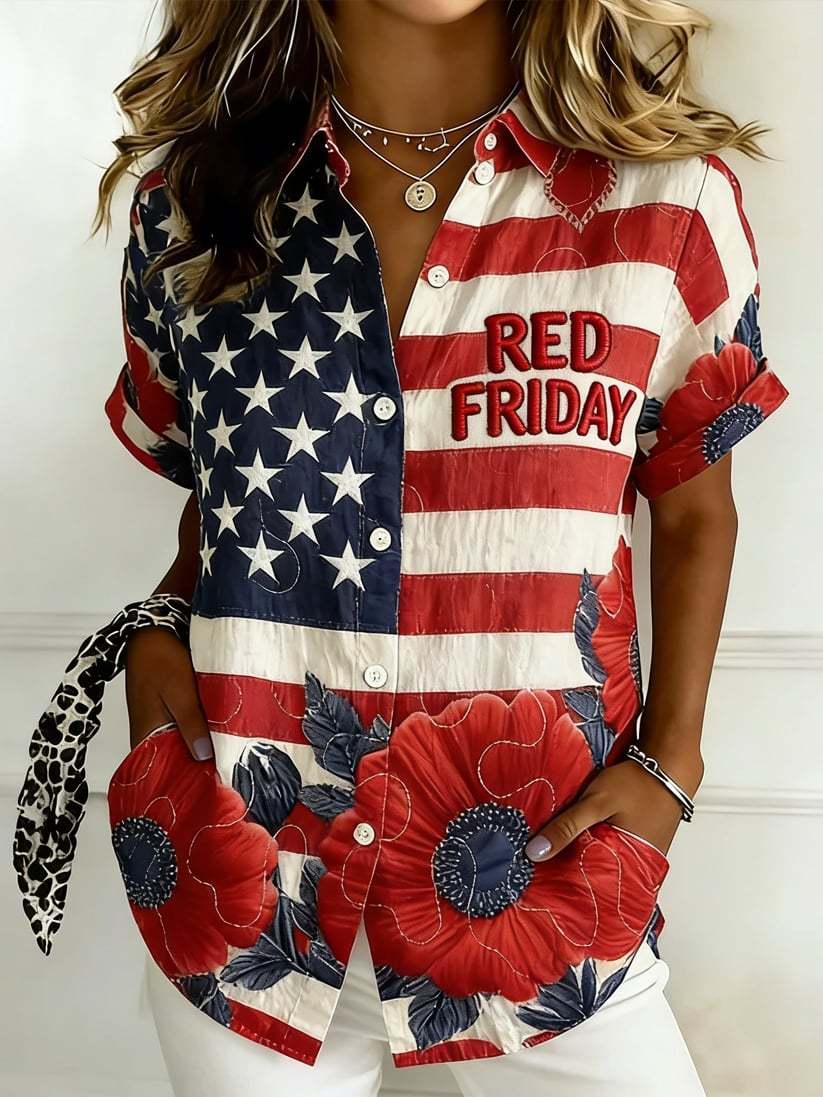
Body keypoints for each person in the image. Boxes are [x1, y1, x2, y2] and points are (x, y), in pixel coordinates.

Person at [89, 0, 787, 1093]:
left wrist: (673, 763)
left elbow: (695, 507)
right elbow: (218, 495)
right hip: (246, 880)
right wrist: (154, 631)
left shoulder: (668, 202)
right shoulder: (191, 207)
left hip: (543, 892)